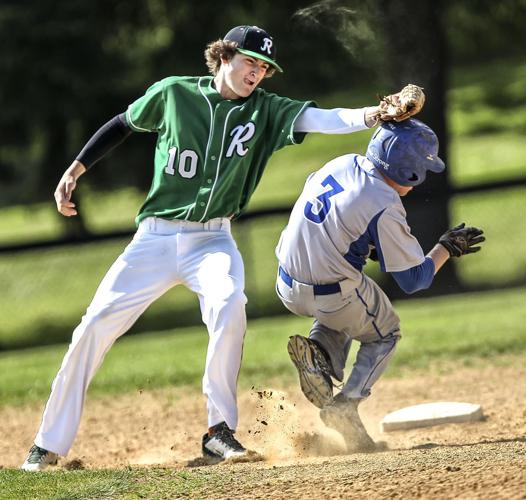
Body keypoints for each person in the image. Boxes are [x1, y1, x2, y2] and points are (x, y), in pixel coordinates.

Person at [22, 24, 403, 471]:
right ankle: (47, 445)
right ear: (224, 57)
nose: (257, 73)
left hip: (213, 238)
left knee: (229, 303)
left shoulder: (265, 110)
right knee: (94, 327)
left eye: (264, 68)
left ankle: (218, 433)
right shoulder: (174, 94)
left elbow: (320, 118)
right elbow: (123, 123)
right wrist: (75, 168)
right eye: (250, 62)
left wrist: (375, 114)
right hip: (155, 239)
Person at [275, 119, 485, 452]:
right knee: (385, 330)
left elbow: (325, 208)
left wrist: (361, 244)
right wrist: (446, 247)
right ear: (408, 171)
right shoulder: (385, 203)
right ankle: (346, 405)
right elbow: (413, 279)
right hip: (332, 290)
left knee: (353, 305)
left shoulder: (342, 163)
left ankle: (321, 354)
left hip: (286, 284)